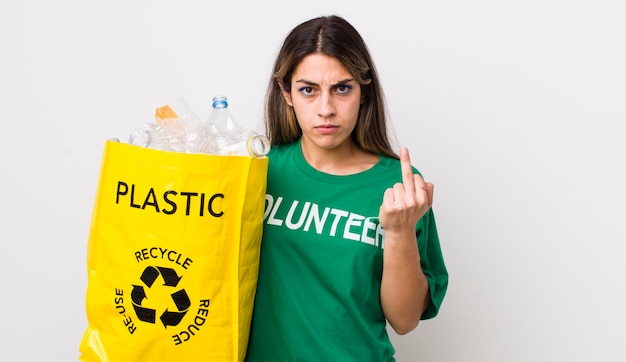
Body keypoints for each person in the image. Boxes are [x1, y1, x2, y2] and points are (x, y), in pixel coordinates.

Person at [245, 15, 448, 361]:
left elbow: (405, 319)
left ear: (363, 91)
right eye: (308, 90)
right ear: (286, 92)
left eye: (342, 88)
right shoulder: (256, 171)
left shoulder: (399, 187)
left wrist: (398, 231)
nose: (326, 109)